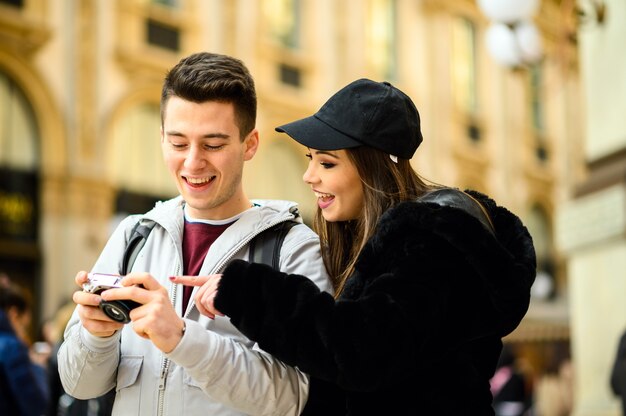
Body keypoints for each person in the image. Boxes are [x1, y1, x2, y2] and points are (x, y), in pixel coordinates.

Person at [173, 78, 538, 415]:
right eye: (310, 159)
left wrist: (247, 291)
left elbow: (362, 350)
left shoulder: (432, 242)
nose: (309, 176)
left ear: (373, 167)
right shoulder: (374, 238)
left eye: (327, 163)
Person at [57, 52, 331, 416]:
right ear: (161, 138)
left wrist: (181, 338)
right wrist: (96, 335)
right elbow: (79, 384)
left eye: (213, 145)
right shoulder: (133, 235)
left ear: (250, 144)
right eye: (178, 143)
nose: (192, 163)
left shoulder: (295, 248)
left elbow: (292, 398)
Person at [0, 274, 49, 416]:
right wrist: (37, 366)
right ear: (14, 314)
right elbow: (37, 404)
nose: (23, 333)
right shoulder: (11, 347)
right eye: (23, 326)